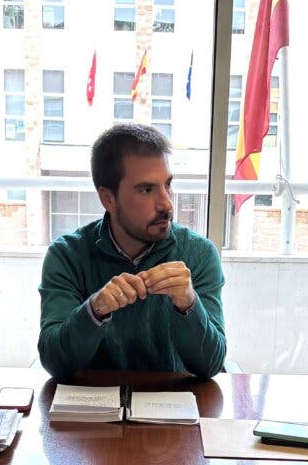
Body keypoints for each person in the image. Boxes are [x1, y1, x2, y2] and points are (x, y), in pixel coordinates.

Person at [37, 124, 226, 379]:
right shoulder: (67, 255)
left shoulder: (199, 254)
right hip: (93, 412)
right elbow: (55, 362)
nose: (167, 203)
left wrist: (188, 303)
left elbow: (211, 365)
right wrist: (94, 310)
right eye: (147, 190)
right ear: (108, 199)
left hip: (173, 411)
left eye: (167, 185)